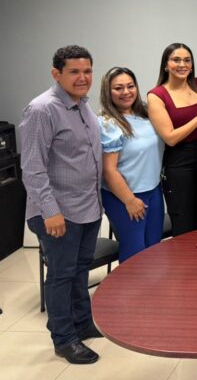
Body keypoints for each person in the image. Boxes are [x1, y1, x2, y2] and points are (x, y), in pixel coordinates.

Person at [20, 45, 103, 364]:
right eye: (74, 72)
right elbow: (32, 167)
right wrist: (50, 211)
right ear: (56, 74)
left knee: (80, 270)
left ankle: (82, 324)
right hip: (58, 213)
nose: (83, 77)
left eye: (87, 71)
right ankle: (64, 338)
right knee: (61, 275)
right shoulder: (42, 109)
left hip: (87, 208)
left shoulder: (83, 105)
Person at [148, 43, 197, 236]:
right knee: (183, 220)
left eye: (187, 60)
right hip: (178, 164)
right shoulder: (156, 95)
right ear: (165, 65)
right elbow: (170, 138)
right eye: (176, 60)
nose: (182, 64)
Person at [98, 67, 164, 263]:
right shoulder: (108, 124)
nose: (126, 92)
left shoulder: (146, 114)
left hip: (153, 191)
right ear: (108, 92)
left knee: (154, 248)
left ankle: (152, 285)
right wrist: (130, 201)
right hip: (125, 196)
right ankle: (129, 286)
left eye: (130, 86)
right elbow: (108, 170)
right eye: (118, 88)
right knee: (134, 255)